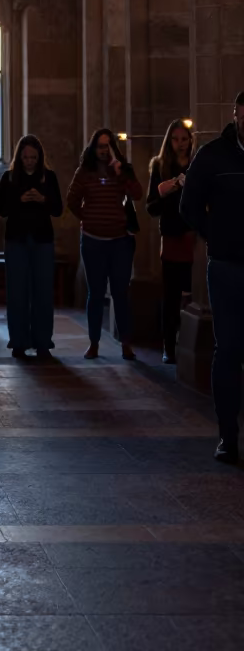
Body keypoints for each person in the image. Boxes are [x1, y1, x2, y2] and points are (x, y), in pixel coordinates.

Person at [181, 93, 244, 463]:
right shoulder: (213, 155)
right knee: (229, 350)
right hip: (226, 266)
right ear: (235, 115)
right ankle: (228, 437)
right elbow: (188, 204)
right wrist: (214, 234)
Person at [67, 128, 143, 361]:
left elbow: (138, 194)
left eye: (107, 146)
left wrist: (121, 174)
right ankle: (94, 343)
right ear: (93, 148)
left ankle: (126, 343)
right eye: (100, 146)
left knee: (121, 292)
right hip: (93, 241)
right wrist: (88, 218)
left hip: (120, 241)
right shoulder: (84, 172)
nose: (103, 150)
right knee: (96, 293)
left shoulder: (123, 169)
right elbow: (72, 199)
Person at [0, 134, 63, 358]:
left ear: (39, 157)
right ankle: (19, 341)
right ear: (19, 157)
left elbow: (58, 209)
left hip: (42, 240)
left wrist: (43, 199)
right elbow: (1, 210)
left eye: (33, 158)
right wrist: (20, 200)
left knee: (43, 292)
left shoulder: (49, 177)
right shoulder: (9, 178)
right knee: (17, 292)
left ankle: (43, 342)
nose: (29, 162)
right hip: (16, 240)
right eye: (26, 158)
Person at [146, 119, 195, 365]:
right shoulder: (160, 166)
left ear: (191, 140)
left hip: (194, 237)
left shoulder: (197, 164)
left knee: (193, 292)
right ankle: (168, 346)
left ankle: (189, 340)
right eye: (175, 139)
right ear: (169, 141)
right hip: (172, 237)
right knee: (171, 294)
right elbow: (151, 206)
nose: (180, 144)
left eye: (184, 139)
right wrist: (173, 186)